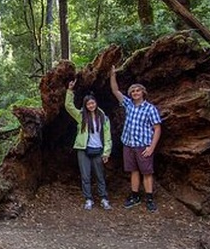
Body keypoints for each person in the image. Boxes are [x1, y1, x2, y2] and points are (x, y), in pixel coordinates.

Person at [109, 66, 162, 212]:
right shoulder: (129, 105)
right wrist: (112, 75)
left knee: (147, 172)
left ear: (143, 92)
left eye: (137, 90)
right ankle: (135, 196)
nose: (135, 93)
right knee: (133, 171)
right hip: (128, 144)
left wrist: (151, 147)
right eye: (133, 91)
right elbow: (115, 91)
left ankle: (149, 199)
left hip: (143, 146)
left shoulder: (150, 109)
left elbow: (157, 128)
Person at [65, 81, 112, 210]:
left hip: (98, 149)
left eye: (92, 103)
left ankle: (103, 198)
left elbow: (108, 136)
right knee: (85, 175)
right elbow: (69, 107)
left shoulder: (103, 118)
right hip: (83, 149)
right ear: (85, 105)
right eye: (88, 104)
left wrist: (106, 152)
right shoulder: (81, 116)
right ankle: (88, 199)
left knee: (100, 175)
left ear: (96, 103)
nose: (91, 105)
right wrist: (70, 91)